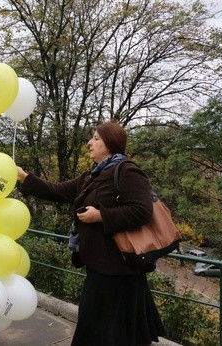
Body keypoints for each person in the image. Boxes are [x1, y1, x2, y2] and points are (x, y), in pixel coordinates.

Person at [16, 122, 165, 346]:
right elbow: (57, 190)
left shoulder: (127, 171)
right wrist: (24, 177)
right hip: (100, 265)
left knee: (104, 333)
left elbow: (141, 210)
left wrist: (101, 216)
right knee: (103, 332)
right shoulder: (92, 176)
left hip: (119, 270)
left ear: (110, 144)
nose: (89, 142)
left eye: (95, 138)